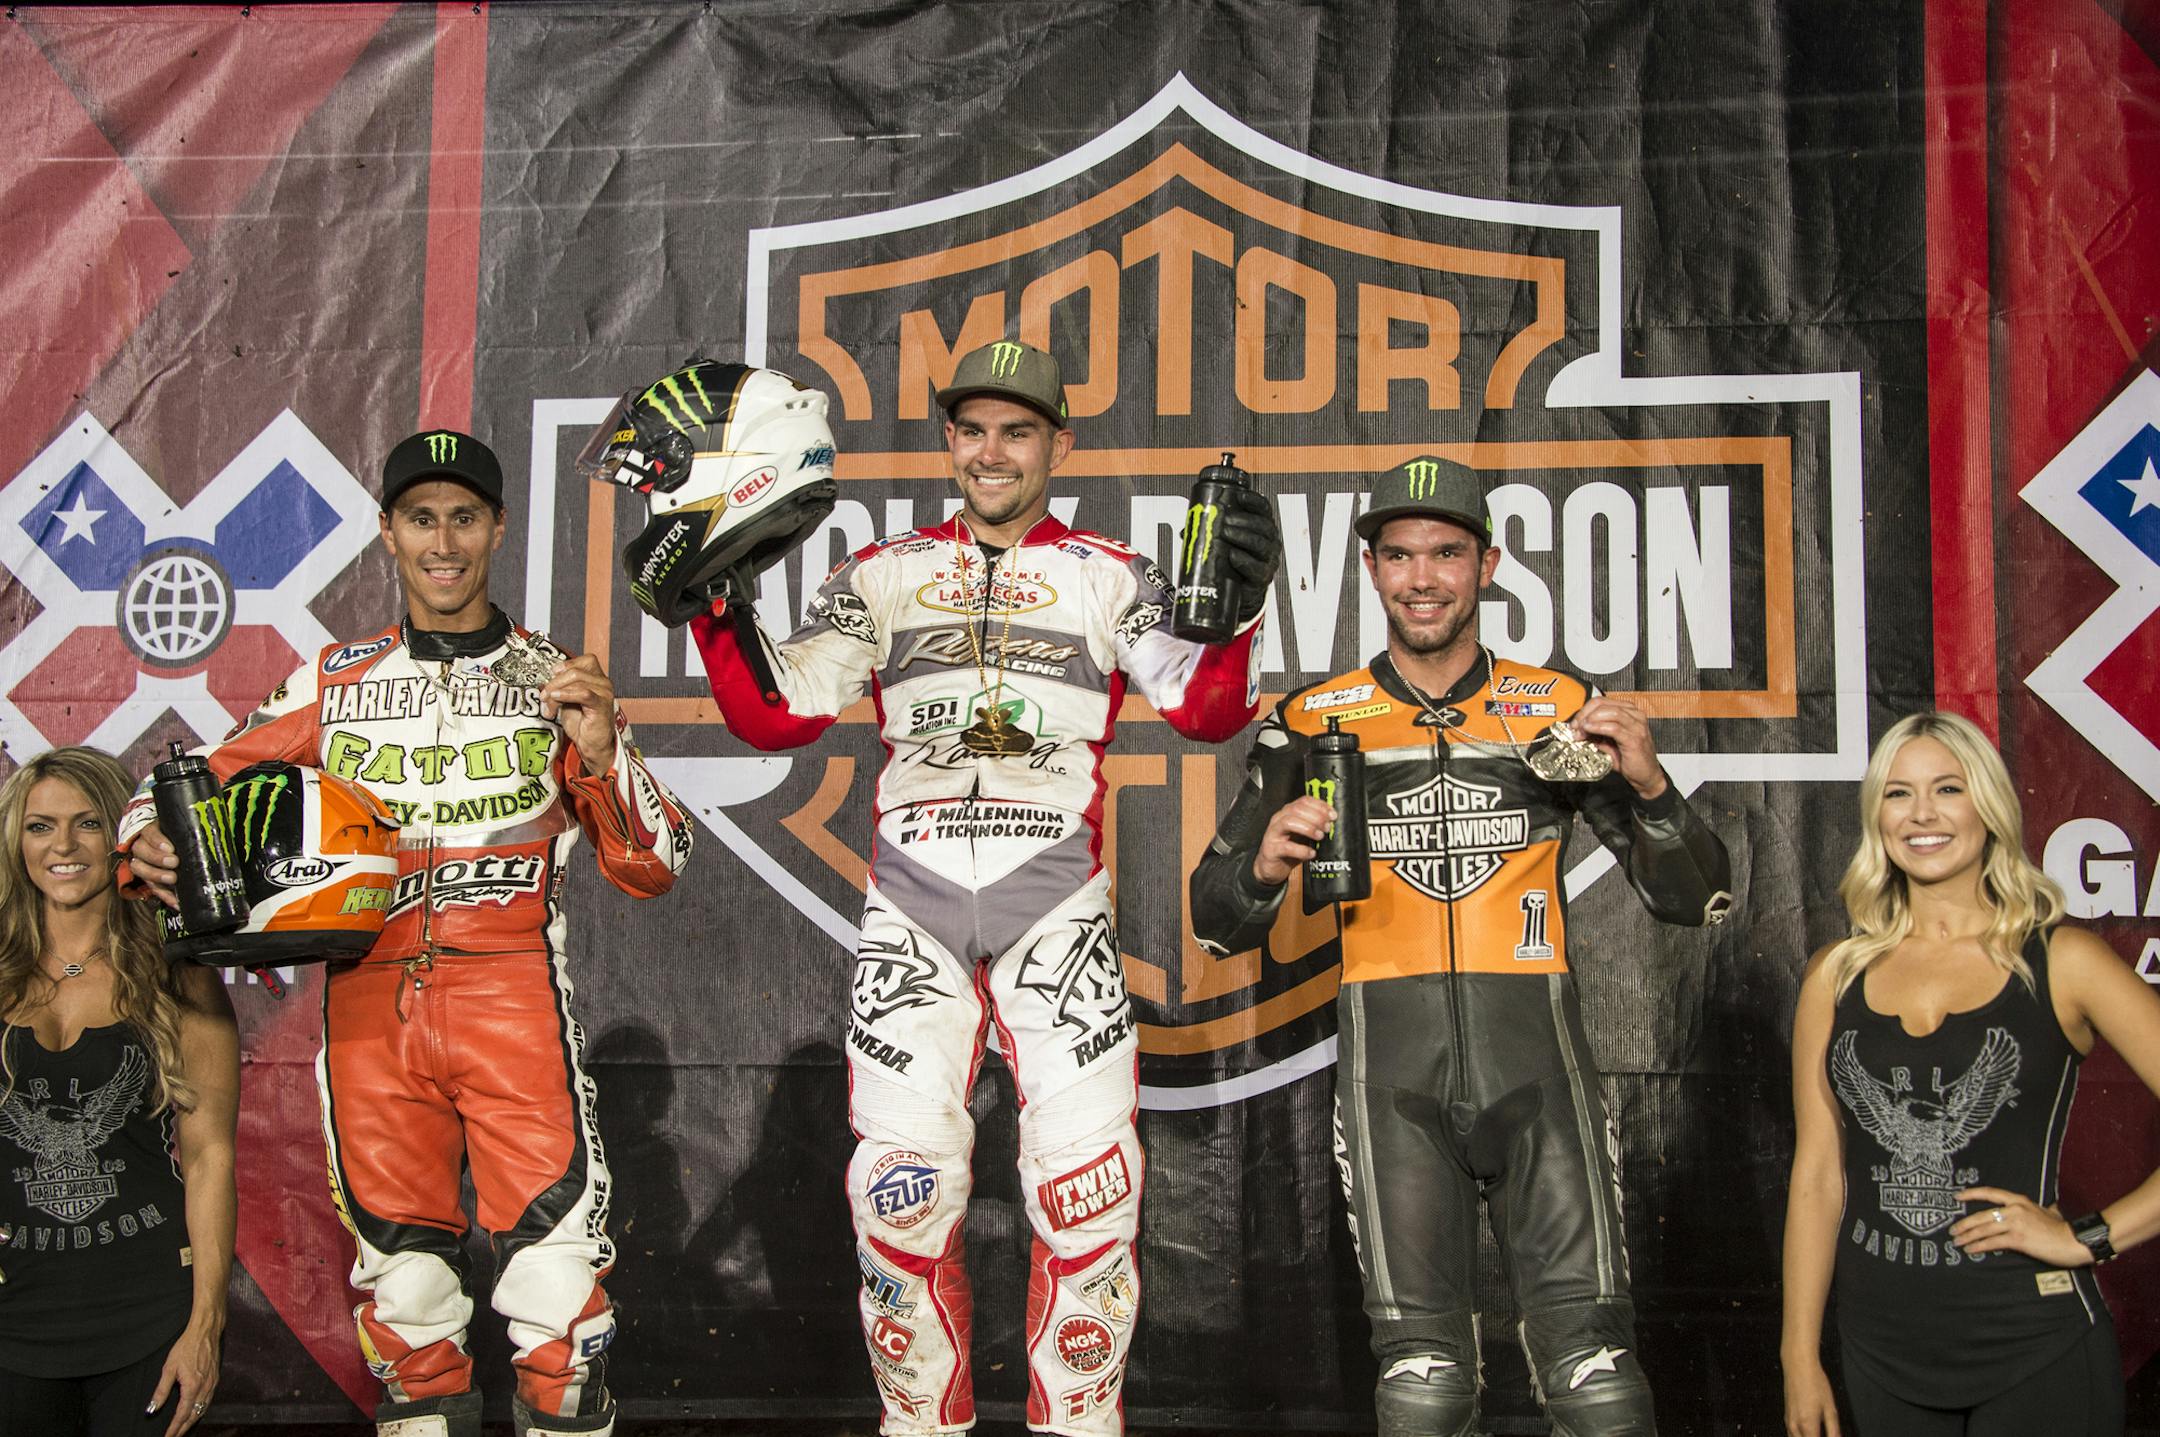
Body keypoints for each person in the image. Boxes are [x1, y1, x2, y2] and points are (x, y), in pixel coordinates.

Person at [687, 340, 1281, 1434]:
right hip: (912, 912)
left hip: (1055, 911)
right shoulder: (879, 571)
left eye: (1017, 430)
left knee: (1088, 1202)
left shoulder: (1112, 574)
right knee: (897, 1207)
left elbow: (1203, 711)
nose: (992, 451)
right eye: (972, 429)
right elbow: (777, 715)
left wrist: (1237, 619)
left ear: (1061, 442)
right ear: (948, 441)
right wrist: (712, 607)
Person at [119, 430, 692, 1437]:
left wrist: (600, 747)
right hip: (371, 1004)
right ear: (388, 533)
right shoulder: (331, 682)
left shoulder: (557, 677)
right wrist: (146, 845)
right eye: (421, 518)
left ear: (498, 529)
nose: (444, 541)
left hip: (511, 998)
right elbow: (187, 784)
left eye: (464, 517)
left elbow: (655, 863)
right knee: (406, 1312)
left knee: (559, 1317)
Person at [1190, 454, 1732, 1437]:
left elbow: (1697, 900)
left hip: (1541, 1074)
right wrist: (1266, 867)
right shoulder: (1314, 722)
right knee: (1424, 1389)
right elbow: (1211, 917)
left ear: (1489, 563)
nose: (1423, 577)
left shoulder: (1555, 706)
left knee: (1598, 1383)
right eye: (1399, 555)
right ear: (1371, 569)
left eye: (1446, 552)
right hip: (1393, 1083)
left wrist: (1652, 787)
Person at [1781, 712, 2159, 1436]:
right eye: (1898, 793)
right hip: (1878, 1358)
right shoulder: (1834, 975)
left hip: (2036, 1349)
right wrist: (1799, 1354)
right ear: (1877, 817)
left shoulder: (2062, 960)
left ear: (1987, 806)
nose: (1922, 814)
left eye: (1947, 788)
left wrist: (2090, 1236)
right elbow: (1818, 1176)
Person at [0, 746, 239, 1437]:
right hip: (15, 1319)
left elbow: (209, 1158)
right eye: (40, 826)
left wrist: (205, 1325)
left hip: (149, 1317)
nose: (64, 846)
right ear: (17, 840)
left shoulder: (180, 972)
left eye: (87, 823)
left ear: (122, 836)